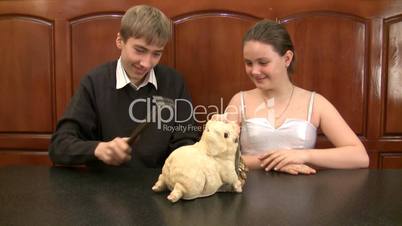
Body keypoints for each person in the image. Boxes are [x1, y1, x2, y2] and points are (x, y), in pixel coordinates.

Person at [48, 5, 198, 168]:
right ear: (120, 41)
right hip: (104, 188)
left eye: (156, 53)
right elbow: (59, 146)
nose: (147, 63)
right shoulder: (94, 82)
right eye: (140, 50)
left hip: (160, 186)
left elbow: (186, 140)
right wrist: (98, 150)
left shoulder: (174, 82)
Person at [221, 20, 369, 175]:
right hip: (250, 194)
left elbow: (359, 156)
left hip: (302, 194)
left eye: (263, 62)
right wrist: (276, 162)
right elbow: (220, 160)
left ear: (287, 59)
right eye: (249, 63)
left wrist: (302, 155)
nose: (255, 71)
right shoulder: (239, 101)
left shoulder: (316, 103)